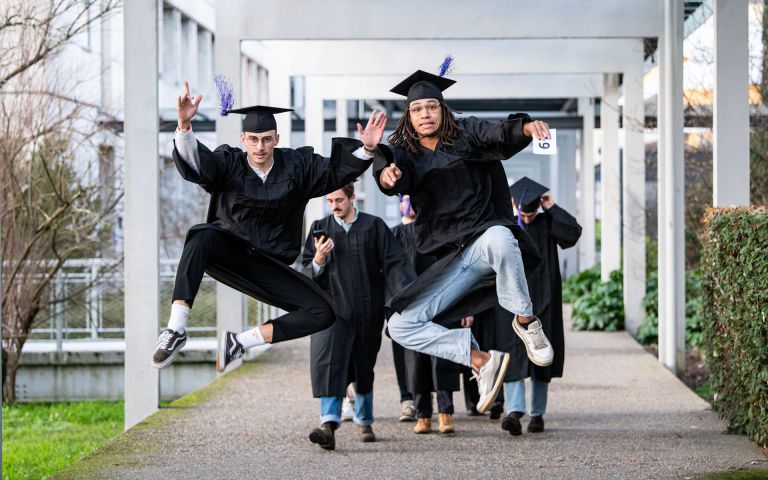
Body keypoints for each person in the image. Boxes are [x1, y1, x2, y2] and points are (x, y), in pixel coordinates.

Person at [151, 80, 387, 372]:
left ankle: (241, 342)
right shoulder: (229, 163)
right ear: (243, 139)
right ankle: (175, 329)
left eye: (265, 139)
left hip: (270, 264)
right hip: (231, 252)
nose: (259, 146)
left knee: (323, 312)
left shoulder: (297, 166)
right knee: (201, 235)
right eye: (253, 139)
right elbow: (199, 166)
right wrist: (185, 127)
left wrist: (366, 149)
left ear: (276, 138)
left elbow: (334, 172)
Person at [369, 67, 556, 414]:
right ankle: (480, 361)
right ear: (409, 117)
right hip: (448, 259)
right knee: (400, 326)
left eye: (431, 106)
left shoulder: (467, 132)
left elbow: (498, 132)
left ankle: (527, 323)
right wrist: (386, 175)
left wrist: (526, 128)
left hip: (482, 240)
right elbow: (393, 173)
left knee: (502, 237)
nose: (425, 114)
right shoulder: (405, 152)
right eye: (417, 109)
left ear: (442, 109)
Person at [302, 184, 414, 450]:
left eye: (339, 199)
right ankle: (328, 425)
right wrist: (319, 258)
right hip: (332, 312)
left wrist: (408, 298)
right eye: (329, 201)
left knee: (363, 368)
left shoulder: (374, 227)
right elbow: (305, 272)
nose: (334, 206)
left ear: (352, 197)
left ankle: (364, 420)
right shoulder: (321, 228)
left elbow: (395, 263)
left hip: (366, 310)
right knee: (329, 365)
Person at [492, 177, 582, 435]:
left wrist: (551, 207)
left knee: (542, 359)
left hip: (543, 300)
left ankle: (537, 414)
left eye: (532, 213)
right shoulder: (506, 227)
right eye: (524, 213)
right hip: (512, 302)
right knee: (513, 355)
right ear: (513, 204)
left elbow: (572, 233)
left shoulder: (546, 224)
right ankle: (515, 411)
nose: (528, 218)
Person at [391, 194, 464, 434]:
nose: (410, 204)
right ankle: (423, 414)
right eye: (406, 199)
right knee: (415, 362)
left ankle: (446, 412)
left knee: (442, 357)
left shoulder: (438, 230)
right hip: (410, 307)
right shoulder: (395, 235)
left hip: (440, 303)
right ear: (400, 203)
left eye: (414, 199)